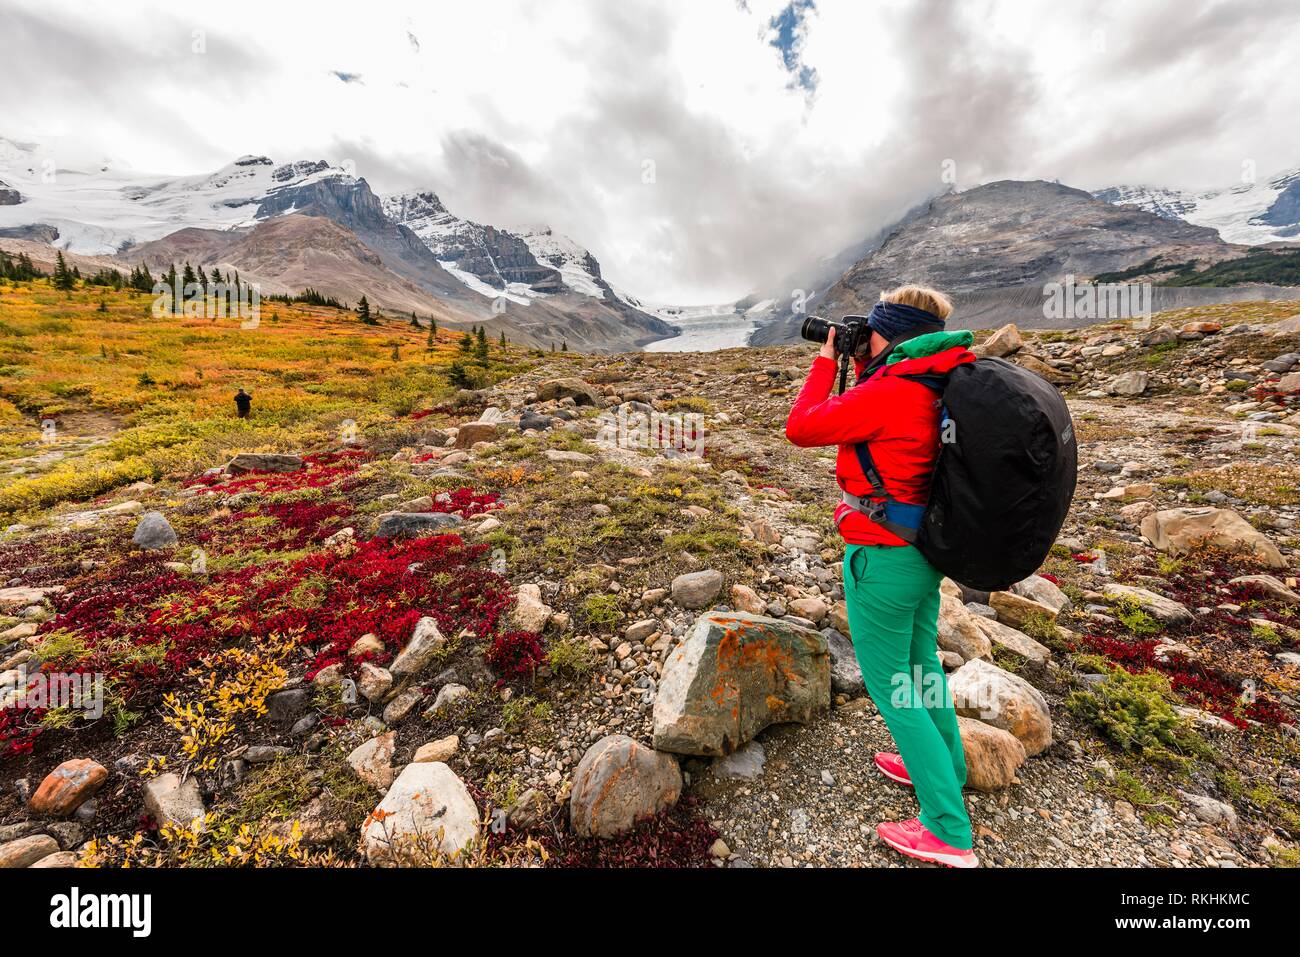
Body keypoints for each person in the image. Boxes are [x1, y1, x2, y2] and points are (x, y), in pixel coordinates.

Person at [785, 284, 979, 868]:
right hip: (924, 552)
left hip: (883, 558)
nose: (858, 339)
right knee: (921, 666)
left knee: (894, 689)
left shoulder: (892, 390)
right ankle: (950, 767)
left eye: (869, 331)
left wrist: (826, 361)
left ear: (889, 334)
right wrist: (865, 360)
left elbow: (802, 427)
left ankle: (947, 829)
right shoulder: (936, 376)